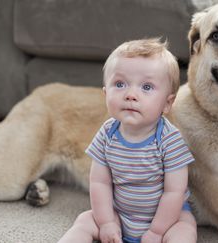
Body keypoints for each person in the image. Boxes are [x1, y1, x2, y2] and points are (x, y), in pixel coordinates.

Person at [58, 38, 197, 243]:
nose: (131, 95)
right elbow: (99, 182)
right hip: (119, 214)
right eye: (120, 84)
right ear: (105, 93)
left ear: (167, 103)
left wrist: (157, 232)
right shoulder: (107, 133)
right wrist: (106, 222)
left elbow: (173, 192)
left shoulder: (170, 140)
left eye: (147, 87)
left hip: (165, 218)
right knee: (84, 221)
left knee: (185, 229)